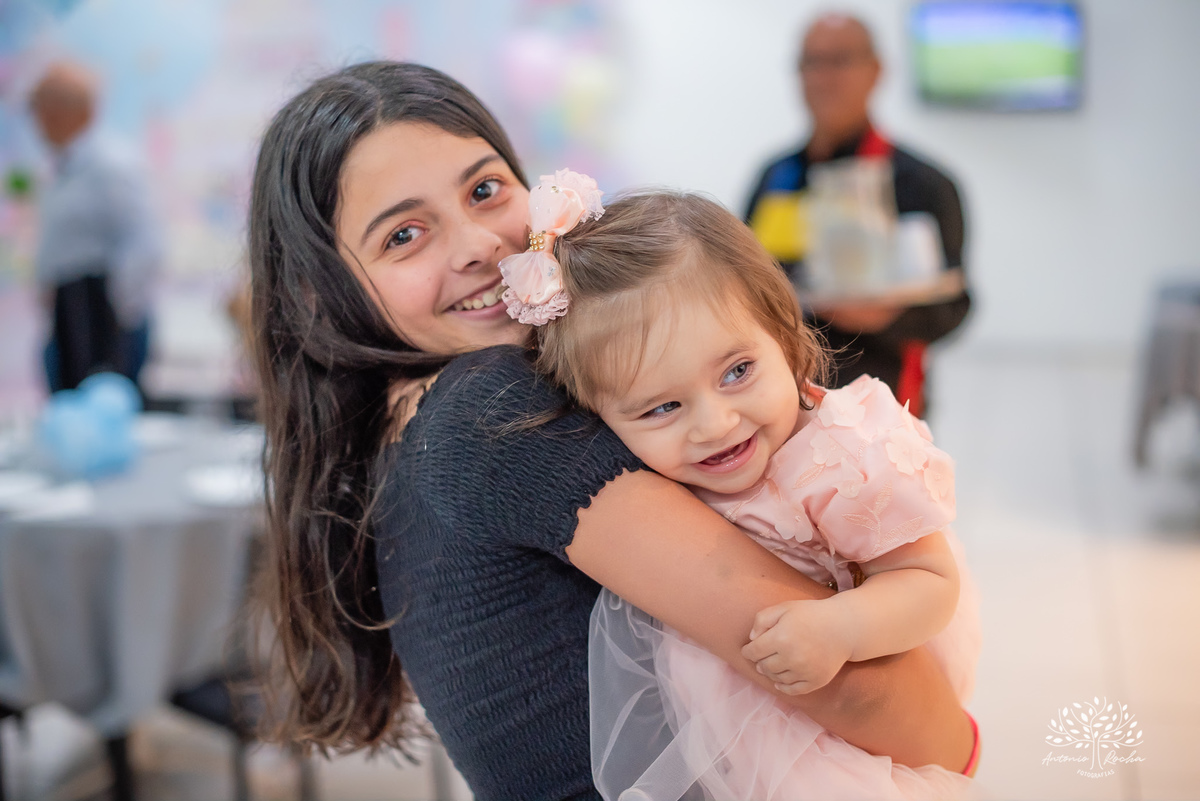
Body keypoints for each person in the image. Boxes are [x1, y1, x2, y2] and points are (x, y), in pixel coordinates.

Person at [247, 62, 978, 801]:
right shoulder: (488, 411)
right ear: (321, 290)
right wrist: (962, 747)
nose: (479, 245)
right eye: (404, 234)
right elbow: (844, 683)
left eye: (484, 190)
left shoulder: (408, 421)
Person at [502, 176, 981, 799]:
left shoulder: (841, 458)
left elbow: (930, 583)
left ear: (782, 333)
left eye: (737, 371)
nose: (715, 424)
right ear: (599, 418)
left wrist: (841, 627)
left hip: (836, 741)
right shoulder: (639, 475)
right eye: (661, 407)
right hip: (725, 739)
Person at [745, 13, 969, 416]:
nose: (823, 77)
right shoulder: (775, 177)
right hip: (777, 405)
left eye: (840, 60)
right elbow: (740, 280)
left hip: (883, 404)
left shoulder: (922, 184)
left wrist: (886, 316)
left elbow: (955, 305)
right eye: (811, 62)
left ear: (876, 70)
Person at [29, 61, 161, 394]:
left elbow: (143, 242)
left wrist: (116, 317)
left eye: (41, 110)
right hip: (71, 309)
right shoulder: (64, 166)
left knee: (101, 409)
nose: (36, 123)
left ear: (61, 111)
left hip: (99, 314)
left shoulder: (111, 164)